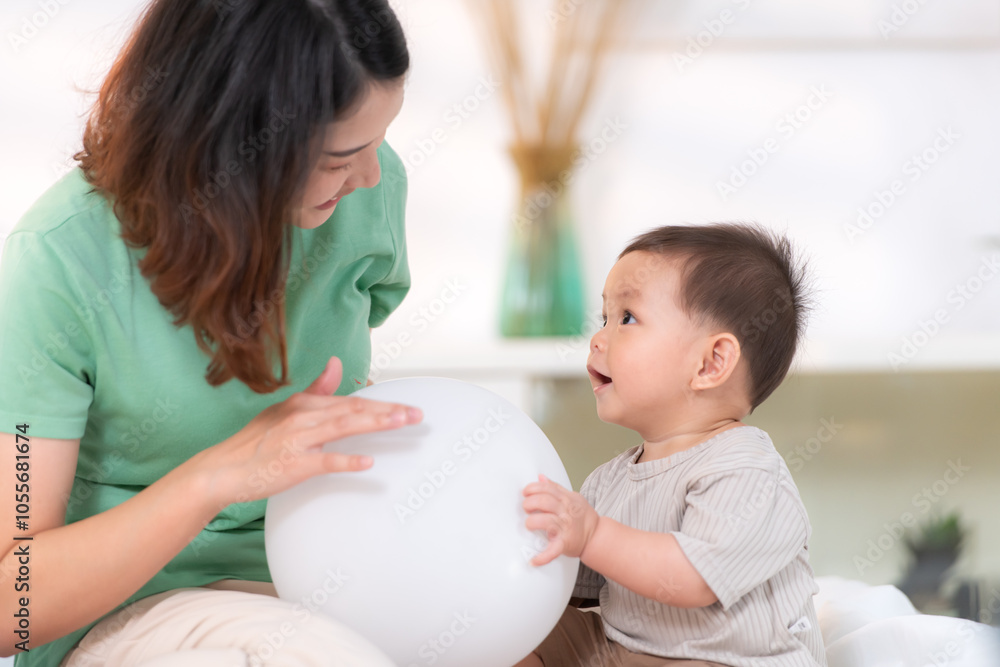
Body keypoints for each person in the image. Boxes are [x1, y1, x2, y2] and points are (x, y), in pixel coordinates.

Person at [0, 1, 424, 665]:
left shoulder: (368, 190)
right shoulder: (58, 263)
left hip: (331, 586)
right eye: (340, 157)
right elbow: (10, 603)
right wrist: (215, 477)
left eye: (379, 143)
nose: (369, 177)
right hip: (137, 616)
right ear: (228, 136)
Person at [518, 224, 827, 666]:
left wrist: (592, 533)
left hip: (730, 658)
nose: (598, 337)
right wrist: (535, 545)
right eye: (603, 318)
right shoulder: (610, 479)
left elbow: (693, 579)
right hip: (626, 651)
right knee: (523, 634)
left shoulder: (747, 469)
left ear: (710, 363)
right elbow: (573, 584)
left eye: (627, 318)